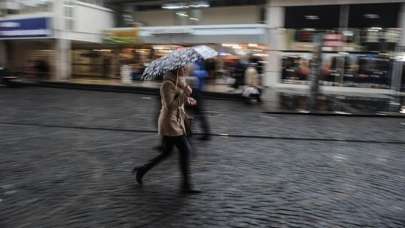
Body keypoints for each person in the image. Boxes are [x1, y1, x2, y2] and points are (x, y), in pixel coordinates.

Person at [132, 68, 200, 194]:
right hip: (170, 123)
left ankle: (142, 170)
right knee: (185, 151)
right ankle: (186, 186)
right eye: (184, 68)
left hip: (176, 120)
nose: (186, 69)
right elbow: (170, 106)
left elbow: (178, 101)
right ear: (177, 69)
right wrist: (185, 94)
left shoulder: (179, 81)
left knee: (167, 152)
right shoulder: (167, 84)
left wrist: (188, 99)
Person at [188, 61, 211, 140]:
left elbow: (205, 73)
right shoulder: (196, 63)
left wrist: (194, 73)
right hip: (196, 92)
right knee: (195, 114)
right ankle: (205, 133)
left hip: (195, 92)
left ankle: (206, 133)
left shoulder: (198, 63)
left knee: (195, 113)